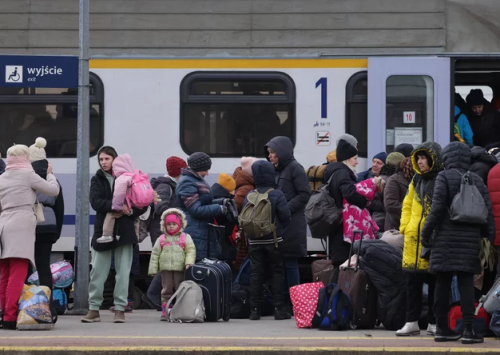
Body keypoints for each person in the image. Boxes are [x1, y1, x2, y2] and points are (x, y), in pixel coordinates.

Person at [421, 142, 494, 344]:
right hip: (470, 241)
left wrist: (426, 235)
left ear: (447, 158)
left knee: (442, 284)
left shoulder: (443, 177)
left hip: (444, 240)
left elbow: (435, 210)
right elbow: (487, 212)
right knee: (466, 284)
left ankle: (442, 328)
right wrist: (489, 237)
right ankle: (469, 330)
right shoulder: (478, 180)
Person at [82, 146, 146, 324]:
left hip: (124, 231)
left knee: (123, 273)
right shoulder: (97, 179)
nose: (103, 162)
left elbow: (142, 204)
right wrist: (116, 206)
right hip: (103, 232)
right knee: (97, 272)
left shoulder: (129, 177)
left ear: (114, 159)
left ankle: (120, 309)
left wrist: (129, 210)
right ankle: (94, 309)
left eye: (106, 159)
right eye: (101, 159)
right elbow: (95, 202)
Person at [0, 144, 60, 330]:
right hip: (21, 224)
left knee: (5, 273)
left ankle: (3, 313)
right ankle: (10, 317)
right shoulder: (27, 174)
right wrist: (50, 174)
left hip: (3, 223)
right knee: (18, 272)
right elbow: (53, 191)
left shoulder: (2, 177)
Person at [397, 142, 443, 337]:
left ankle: (433, 322)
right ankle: (411, 321)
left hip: (431, 240)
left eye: (424, 158)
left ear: (433, 159)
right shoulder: (416, 179)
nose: (421, 162)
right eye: (419, 158)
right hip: (412, 240)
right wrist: (405, 227)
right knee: (412, 284)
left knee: (434, 284)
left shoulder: (440, 179)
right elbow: (406, 205)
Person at [264, 136, 311, 306]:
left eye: (273, 152)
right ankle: (284, 302)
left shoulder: (295, 168)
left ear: (281, 152)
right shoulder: (277, 170)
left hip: (292, 224)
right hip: (281, 224)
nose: (270, 156)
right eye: (269, 153)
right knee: (281, 264)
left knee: (290, 263)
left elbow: (305, 194)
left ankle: (296, 304)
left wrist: (285, 208)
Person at [243, 160, 291, 321]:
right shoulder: (277, 194)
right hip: (274, 240)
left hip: (254, 241)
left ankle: (254, 310)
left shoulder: (250, 195)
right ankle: (278, 309)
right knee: (277, 272)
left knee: (256, 274)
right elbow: (286, 217)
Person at [142, 156, 187, 311]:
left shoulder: (170, 184)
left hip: (167, 230)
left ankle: (157, 297)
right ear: (178, 172)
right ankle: (152, 295)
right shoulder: (165, 186)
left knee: (169, 262)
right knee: (166, 263)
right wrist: (177, 216)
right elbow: (161, 207)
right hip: (161, 230)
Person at [324, 138, 369, 283]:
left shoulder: (334, 171)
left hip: (337, 223)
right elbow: (349, 193)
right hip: (343, 226)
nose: (357, 162)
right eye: (355, 158)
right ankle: (334, 300)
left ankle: (333, 299)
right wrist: (365, 201)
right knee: (342, 264)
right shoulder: (343, 173)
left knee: (340, 263)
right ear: (347, 159)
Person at [176, 152, 229, 261]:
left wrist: (222, 201)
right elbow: (196, 210)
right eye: (205, 170)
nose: (207, 173)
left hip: (200, 229)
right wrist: (219, 209)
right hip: (194, 231)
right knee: (197, 267)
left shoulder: (195, 179)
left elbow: (204, 202)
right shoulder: (187, 182)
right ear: (197, 168)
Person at [28, 138, 65, 292]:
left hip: (29, 225)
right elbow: (60, 209)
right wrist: (56, 233)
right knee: (44, 266)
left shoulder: (28, 177)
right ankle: (47, 304)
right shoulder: (53, 179)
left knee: (26, 266)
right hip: (49, 226)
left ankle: (26, 303)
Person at [148, 208, 196, 321]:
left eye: (174, 224)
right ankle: (166, 310)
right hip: (166, 270)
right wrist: (153, 269)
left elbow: (190, 250)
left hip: (180, 269)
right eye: (168, 224)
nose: (171, 226)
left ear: (180, 225)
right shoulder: (161, 239)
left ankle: (180, 310)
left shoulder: (185, 237)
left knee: (180, 289)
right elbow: (155, 254)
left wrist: (189, 262)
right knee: (166, 290)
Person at [97, 154, 152, 244]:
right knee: (136, 220)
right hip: (137, 204)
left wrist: (117, 206)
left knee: (110, 215)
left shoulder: (122, 178)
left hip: (127, 204)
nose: (103, 162)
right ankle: (136, 237)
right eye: (101, 159)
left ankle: (107, 235)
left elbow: (119, 193)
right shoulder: (136, 174)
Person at [343, 177, 384, 242]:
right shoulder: (370, 190)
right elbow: (370, 196)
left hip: (349, 209)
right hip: (355, 209)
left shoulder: (365, 183)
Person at [384, 157, 415, 231]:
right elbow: (390, 204)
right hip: (396, 227)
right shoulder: (395, 180)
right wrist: (413, 211)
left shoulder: (419, 180)